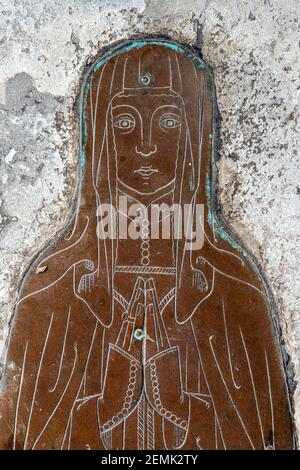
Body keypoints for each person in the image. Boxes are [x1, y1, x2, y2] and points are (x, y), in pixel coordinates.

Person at [0, 41, 294, 450]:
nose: (146, 144)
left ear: (195, 135)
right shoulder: (56, 287)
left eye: (169, 122)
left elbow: (265, 431)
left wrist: (184, 408)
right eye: (124, 123)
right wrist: (102, 411)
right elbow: (25, 431)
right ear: (99, 135)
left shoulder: (231, 286)